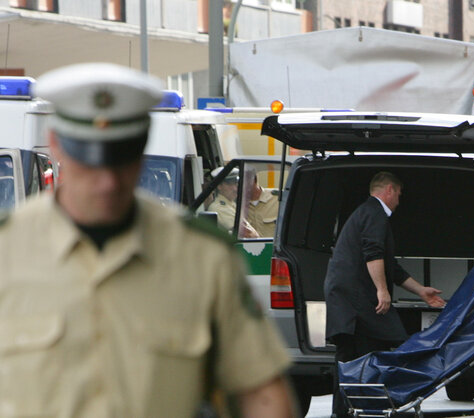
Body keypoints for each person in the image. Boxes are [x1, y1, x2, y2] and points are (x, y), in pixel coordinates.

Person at [0, 63, 296, 417]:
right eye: (90, 163)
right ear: (55, 146)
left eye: (121, 161)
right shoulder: (8, 249)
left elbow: (262, 393)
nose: (107, 182)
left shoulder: (201, 257)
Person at [325, 171, 446, 418]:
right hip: (356, 301)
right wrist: (382, 290)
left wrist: (421, 290)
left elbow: (391, 268)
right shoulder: (375, 213)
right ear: (389, 190)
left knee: (357, 355)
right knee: (364, 352)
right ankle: (349, 411)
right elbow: (373, 254)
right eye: (399, 194)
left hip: (349, 299)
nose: (399, 201)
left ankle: (351, 410)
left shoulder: (366, 213)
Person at [207, 167, 258, 238]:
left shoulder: (231, 205)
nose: (235, 188)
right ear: (219, 186)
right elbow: (248, 234)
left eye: (236, 184)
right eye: (229, 184)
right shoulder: (219, 208)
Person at [241, 167, 280, 237]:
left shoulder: (277, 198)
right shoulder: (237, 204)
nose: (239, 186)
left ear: (254, 180)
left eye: (244, 182)